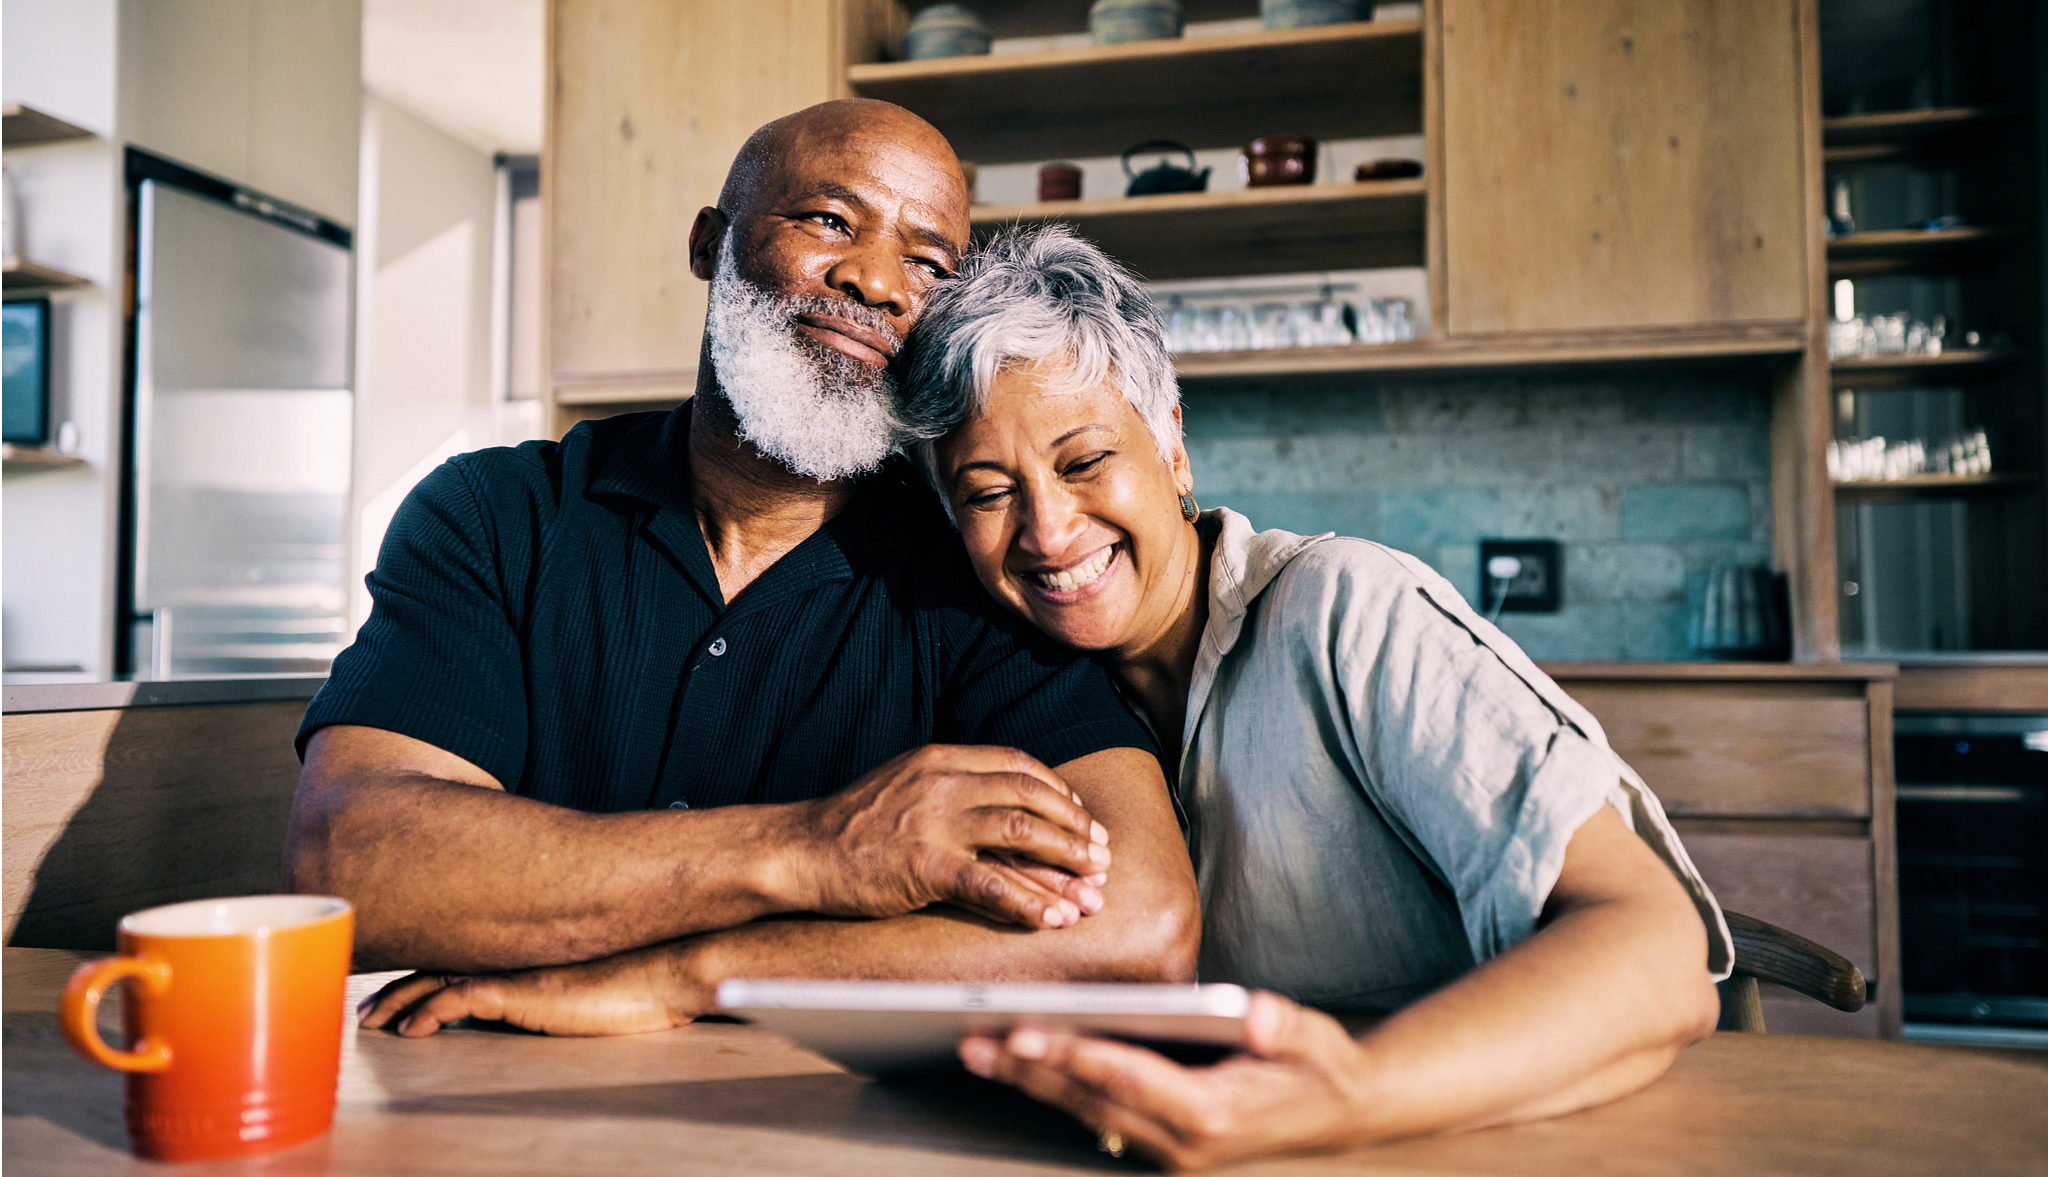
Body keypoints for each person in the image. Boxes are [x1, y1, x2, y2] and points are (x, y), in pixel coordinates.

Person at [285, 102, 1198, 1039]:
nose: (877, 281)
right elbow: (348, 863)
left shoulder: (972, 570)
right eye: (831, 221)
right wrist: (814, 849)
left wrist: (696, 973)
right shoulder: (497, 515)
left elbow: (1142, 924)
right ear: (709, 244)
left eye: (927, 264)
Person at [897, 224, 1731, 1170]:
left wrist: (1346, 1093)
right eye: (987, 492)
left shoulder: (1344, 608)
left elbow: (1658, 951)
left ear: (1171, 444)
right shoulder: (1022, 705)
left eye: (1084, 462)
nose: (1046, 529)